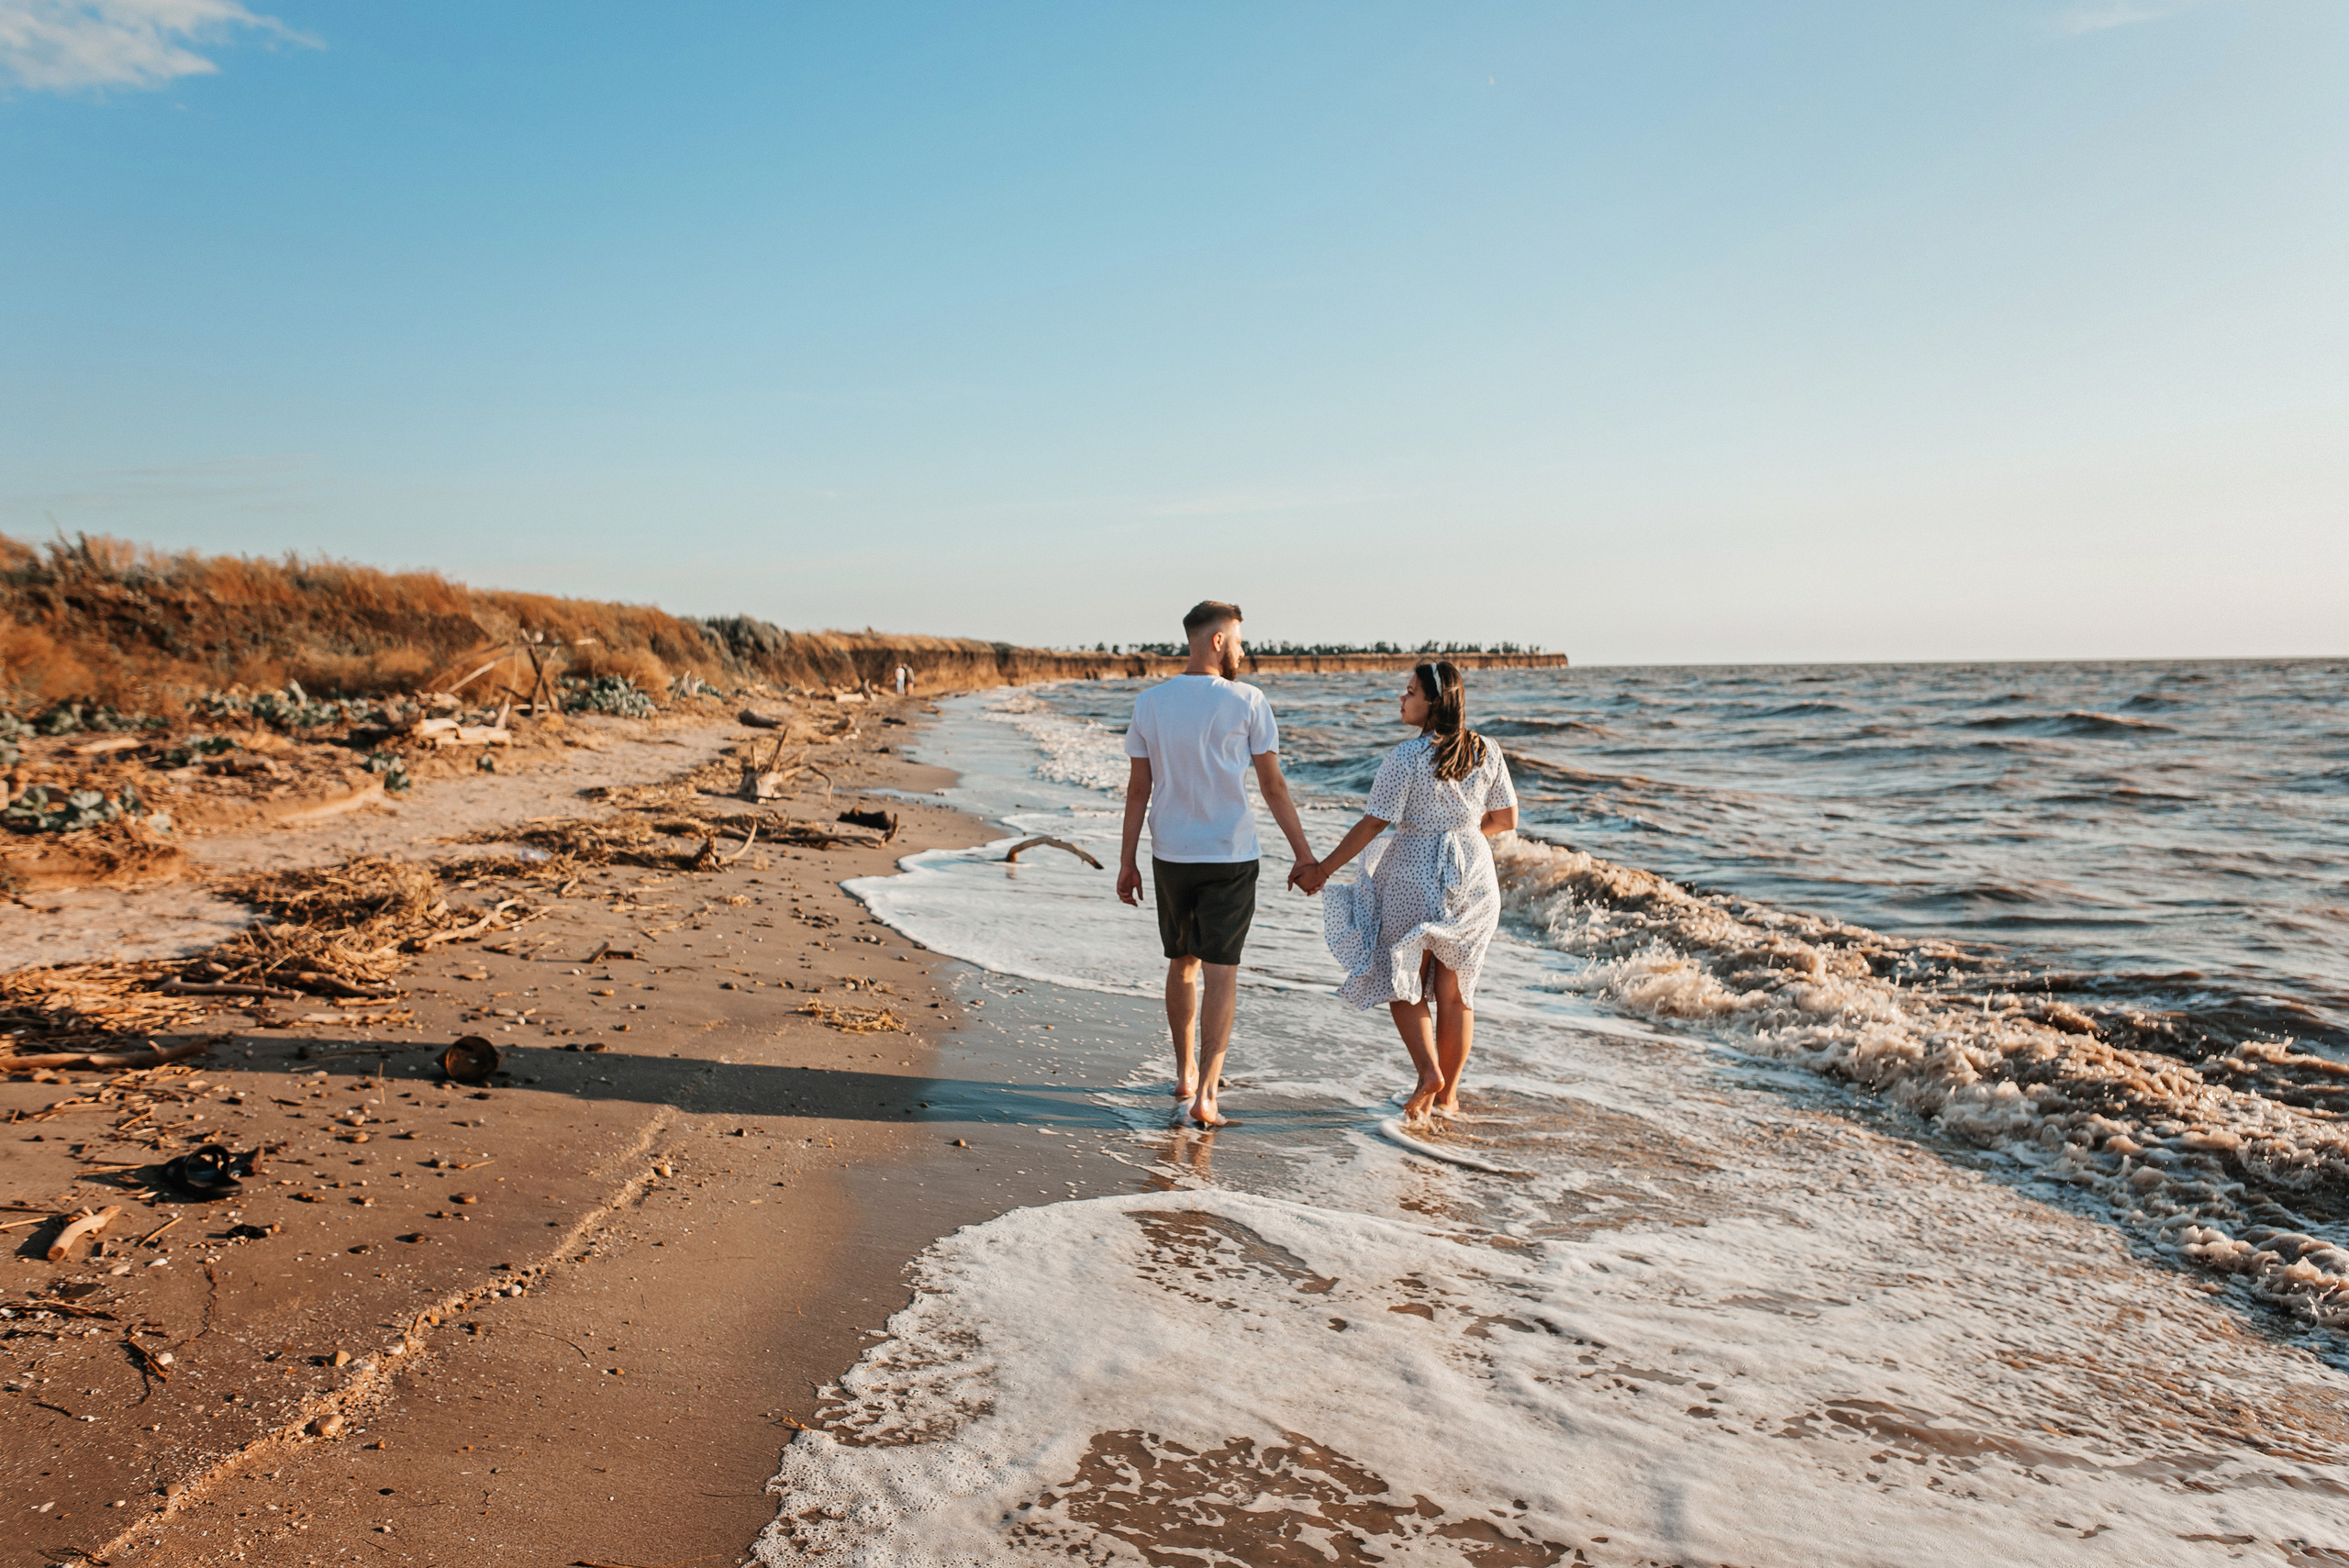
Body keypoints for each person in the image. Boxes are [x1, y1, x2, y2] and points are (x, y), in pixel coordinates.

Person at [1117, 600, 1318, 1128]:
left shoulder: (1150, 703)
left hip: (1170, 856)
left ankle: (1185, 1073)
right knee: (1221, 974)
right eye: (1240, 640)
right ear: (1218, 641)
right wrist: (1304, 853)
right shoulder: (1247, 700)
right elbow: (1273, 786)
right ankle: (1205, 1095)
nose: (1244, 651)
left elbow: (1139, 789)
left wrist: (1127, 861)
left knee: (1182, 964)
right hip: (1230, 857)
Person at [1294, 662, 1517, 1124]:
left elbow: (1375, 823)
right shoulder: (1488, 750)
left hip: (1413, 871)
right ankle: (1448, 1098)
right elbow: (1506, 820)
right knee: (1457, 993)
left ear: (1432, 704)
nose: (1402, 698)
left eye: (1410, 692)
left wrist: (1322, 870)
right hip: (1474, 875)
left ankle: (1428, 1072)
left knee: (1403, 978)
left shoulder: (1405, 758)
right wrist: (1462, 834)